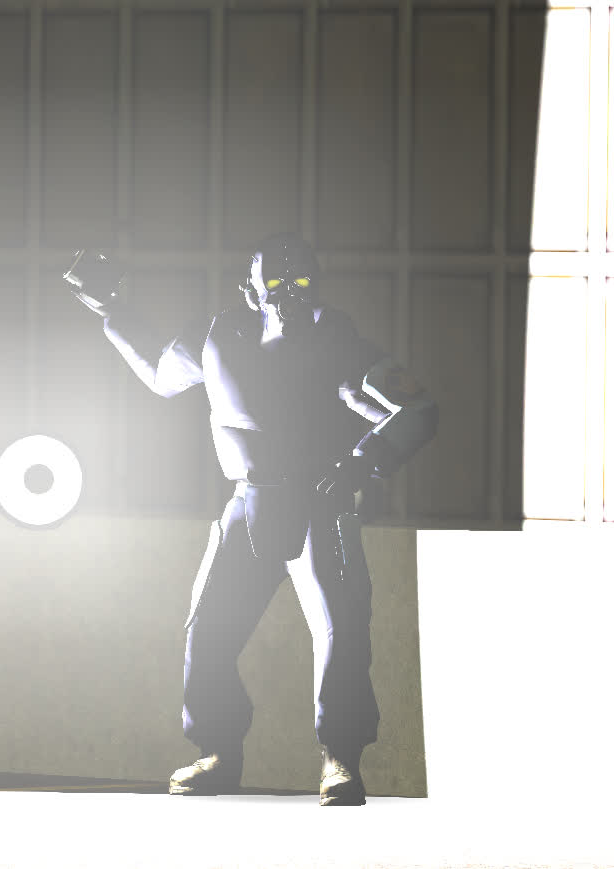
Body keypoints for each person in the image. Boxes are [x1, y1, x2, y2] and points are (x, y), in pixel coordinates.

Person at [62, 233, 439, 806]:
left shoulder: (338, 344)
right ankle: (218, 751)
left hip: (320, 505)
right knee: (207, 630)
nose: (290, 296)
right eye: (277, 284)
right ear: (250, 291)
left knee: (341, 633)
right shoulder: (217, 335)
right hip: (249, 503)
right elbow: (161, 372)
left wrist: (360, 465)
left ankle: (340, 757)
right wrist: (113, 311)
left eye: (302, 282)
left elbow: (417, 410)